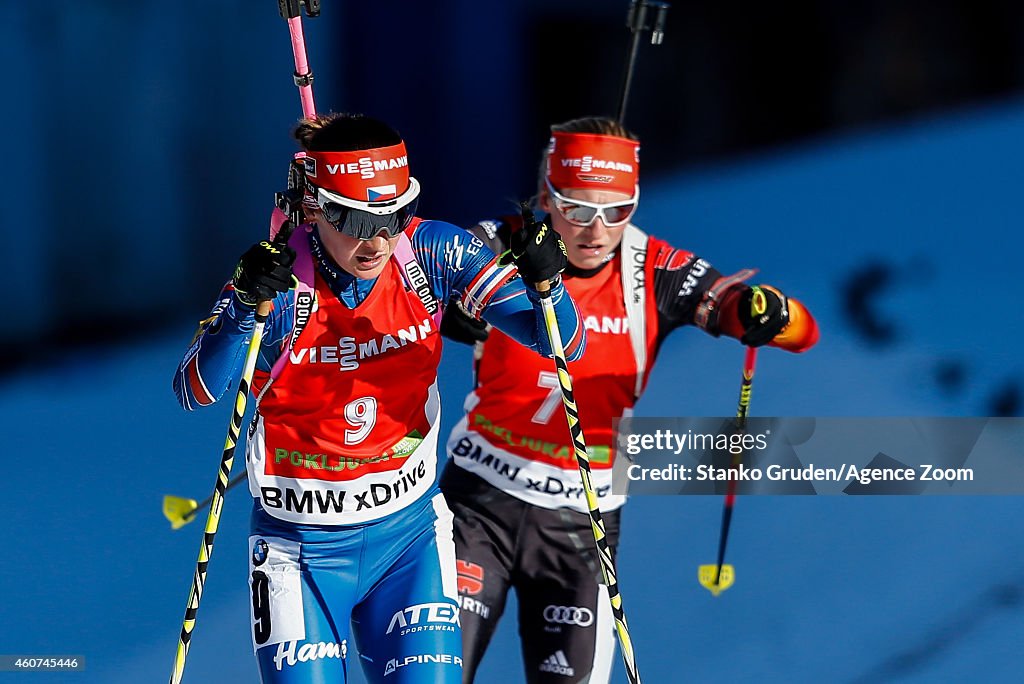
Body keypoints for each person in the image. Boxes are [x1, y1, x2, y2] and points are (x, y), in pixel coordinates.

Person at [172, 112, 585, 684]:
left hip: (407, 541)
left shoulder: (431, 253)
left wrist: (548, 282)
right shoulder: (282, 283)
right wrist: (243, 308)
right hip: (299, 552)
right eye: (352, 219)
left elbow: (564, 346)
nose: (376, 240)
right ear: (315, 208)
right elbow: (194, 390)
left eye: (393, 216)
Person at [439, 116, 820, 683]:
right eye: (576, 208)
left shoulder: (654, 269)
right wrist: (455, 307)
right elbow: (412, 289)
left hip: (580, 523)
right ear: (546, 194)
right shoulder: (503, 242)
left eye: (617, 210)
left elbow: (794, 331)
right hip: (476, 505)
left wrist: (768, 313)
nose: (596, 230)